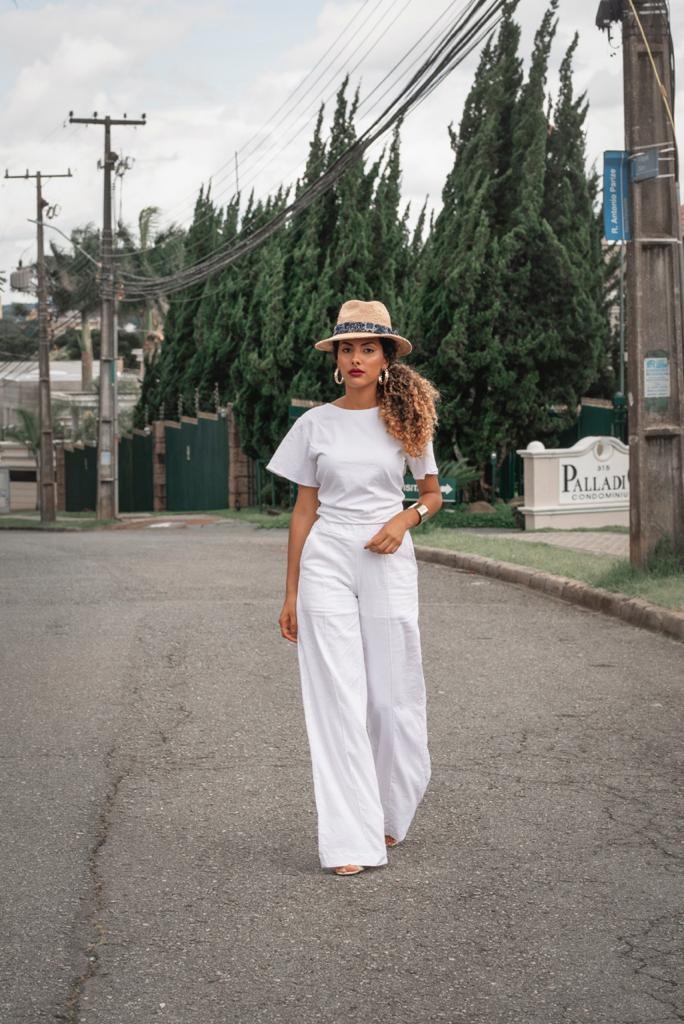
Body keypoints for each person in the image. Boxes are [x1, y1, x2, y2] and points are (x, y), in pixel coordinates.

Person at [266, 299, 442, 876]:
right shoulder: (314, 424)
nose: (357, 358)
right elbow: (303, 511)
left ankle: (389, 810)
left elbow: (433, 494)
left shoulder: (407, 420)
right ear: (336, 360)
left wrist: (404, 520)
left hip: (387, 557)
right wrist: (291, 592)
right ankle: (349, 840)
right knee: (336, 700)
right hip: (327, 559)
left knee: (390, 699)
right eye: (347, 349)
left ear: (386, 357)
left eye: (368, 348)